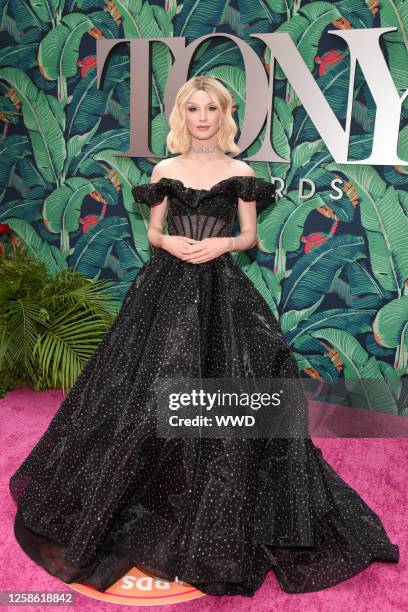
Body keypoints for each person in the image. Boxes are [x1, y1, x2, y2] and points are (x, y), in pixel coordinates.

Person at [9, 76, 399, 597]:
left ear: (224, 113)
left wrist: (219, 249)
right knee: (150, 387)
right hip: (166, 286)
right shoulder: (165, 169)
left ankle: (212, 508)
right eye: (192, 108)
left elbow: (249, 237)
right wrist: (170, 240)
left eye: (211, 108)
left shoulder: (240, 172)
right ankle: (150, 492)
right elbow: (152, 231)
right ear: (182, 115)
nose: (202, 117)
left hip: (221, 289)